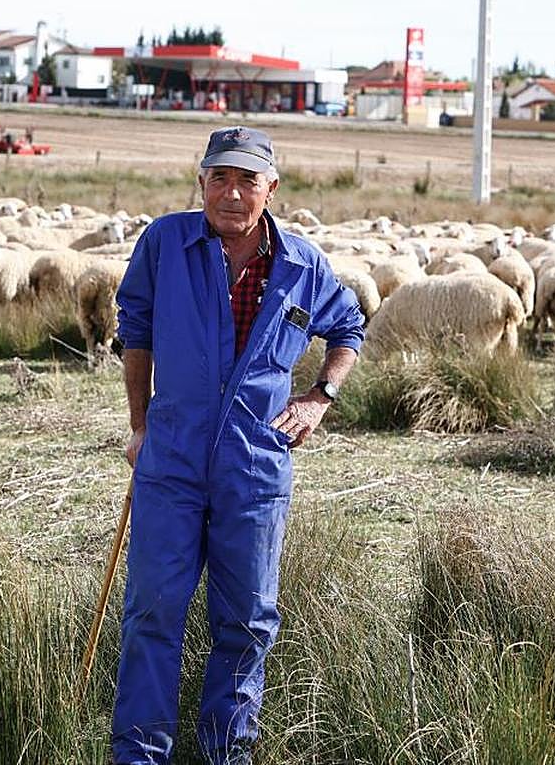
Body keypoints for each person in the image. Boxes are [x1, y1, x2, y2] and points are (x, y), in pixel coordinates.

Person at [111, 126, 365, 764]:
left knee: (247, 620)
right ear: (200, 183)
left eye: (246, 180)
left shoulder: (303, 266)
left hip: (254, 469)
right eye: (218, 178)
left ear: (271, 189)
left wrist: (318, 397)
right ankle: (140, 755)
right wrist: (140, 425)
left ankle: (227, 752)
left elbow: (348, 327)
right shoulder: (166, 244)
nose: (231, 192)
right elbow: (135, 327)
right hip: (170, 460)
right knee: (152, 614)